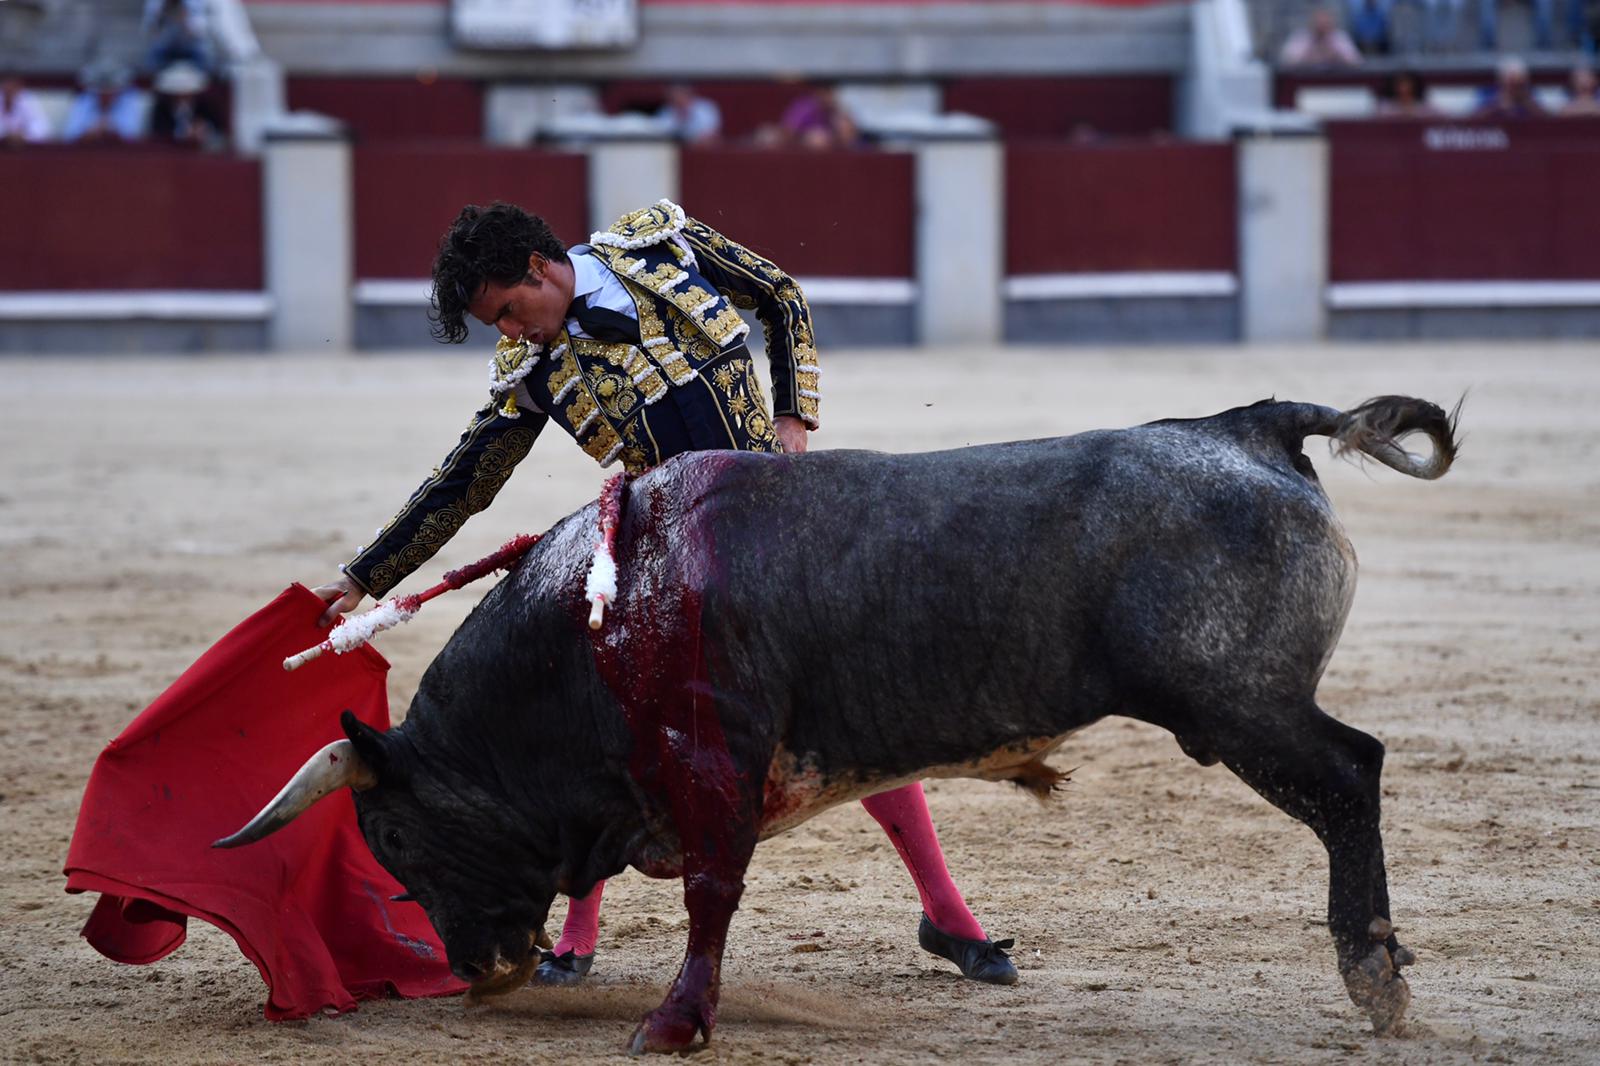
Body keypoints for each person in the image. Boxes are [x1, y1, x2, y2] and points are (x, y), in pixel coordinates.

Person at [311, 199, 1018, 989]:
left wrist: (793, 416)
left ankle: (946, 912)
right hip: (669, 558)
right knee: (609, 724)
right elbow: (465, 480)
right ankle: (578, 934)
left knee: (849, 706)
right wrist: (364, 576)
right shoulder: (530, 372)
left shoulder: (658, 248)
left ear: (540, 269)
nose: (511, 333)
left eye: (509, 311)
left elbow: (778, 294)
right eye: (495, 325)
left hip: (780, 528)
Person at [61, 61, 144, 144]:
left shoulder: (129, 101)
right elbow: (69, 137)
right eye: (101, 92)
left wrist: (110, 131)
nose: (105, 95)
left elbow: (132, 137)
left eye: (111, 91)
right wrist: (90, 134)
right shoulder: (83, 100)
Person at [149, 61, 223, 148]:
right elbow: (158, 131)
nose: (182, 95)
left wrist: (205, 129)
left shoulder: (205, 106)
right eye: (177, 93)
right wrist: (183, 132)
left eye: (186, 93)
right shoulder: (161, 108)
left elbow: (218, 129)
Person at [779, 84, 861, 148]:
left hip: (831, 143)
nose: (830, 98)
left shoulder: (834, 109)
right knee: (818, 138)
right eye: (828, 94)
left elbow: (848, 131)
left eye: (831, 95)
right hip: (805, 142)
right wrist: (805, 138)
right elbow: (788, 130)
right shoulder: (805, 107)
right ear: (820, 93)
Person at [1279, 7, 1364, 66]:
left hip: (1336, 82)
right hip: (1304, 81)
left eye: (1325, 26)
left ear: (1331, 25)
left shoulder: (1340, 37)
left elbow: (1356, 61)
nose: (1321, 30)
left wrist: (1336, 54)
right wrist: (1309, 54)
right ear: (1311, 24)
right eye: (1318, 26)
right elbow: (1286, 61)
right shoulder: (1300, 37)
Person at [1474, 54, 1546, 117]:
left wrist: (1528, 103)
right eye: (1511, 82)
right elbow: (1473, 118)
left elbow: (1548, 118)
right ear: (1501, 80)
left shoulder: (1531, 93)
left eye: (1519, 83)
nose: (1514, 88)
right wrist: (1497, 104)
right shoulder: (1487, 93)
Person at [654, 83, 721, 145]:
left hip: (700, 146)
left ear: (687, 94)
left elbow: (709, 133)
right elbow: (661, 131)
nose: (677, 98)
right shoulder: (665, 111)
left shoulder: (705, 108)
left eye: (680, 94)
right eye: (674, 95)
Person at [1, 72, 53, 146]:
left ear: (19, 86)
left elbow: (43, 128)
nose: (9, 88)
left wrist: (24, 135)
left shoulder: (28, 98)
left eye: (13, 85)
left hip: (27, 148)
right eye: (6, 84)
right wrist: (7, 135)